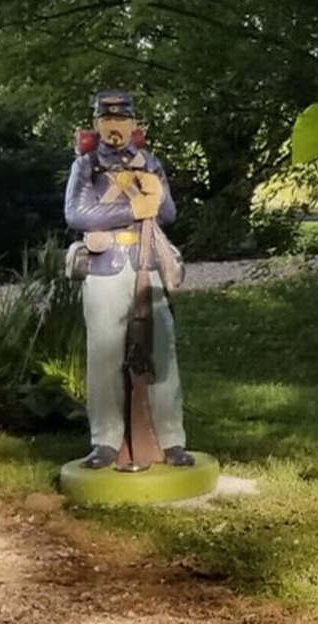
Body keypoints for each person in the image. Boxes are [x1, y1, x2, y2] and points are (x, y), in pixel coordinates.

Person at [63, 89, 192, 470]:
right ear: (97, 124)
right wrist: (131, 207)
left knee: (162, 348)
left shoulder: (148, 162)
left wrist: (153, 194)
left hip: (145, 261)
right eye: (108, 120)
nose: (115, 127)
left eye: (122, 120)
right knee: (104, 355)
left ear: (134, 124)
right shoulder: (85, 167)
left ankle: (172, 439)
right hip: (105, 264)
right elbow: (76, 214)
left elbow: (167, 212)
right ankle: (104, 440)